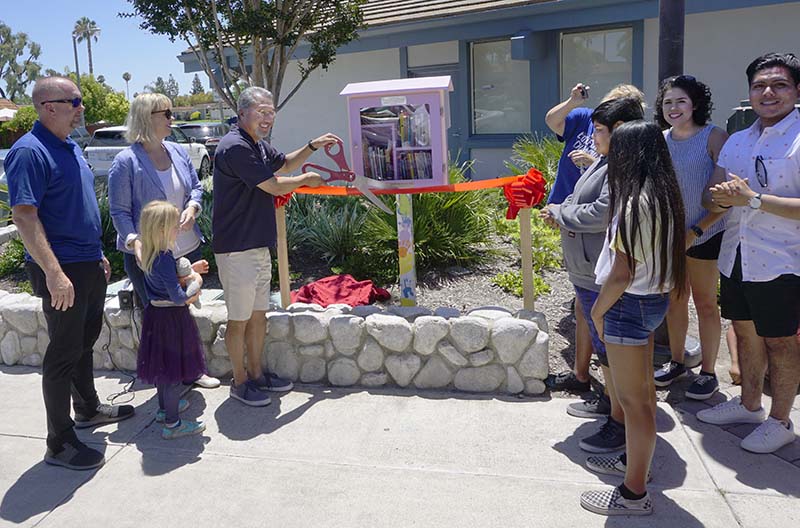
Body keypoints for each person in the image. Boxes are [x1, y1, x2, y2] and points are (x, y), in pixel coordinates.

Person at [5, 76, 134, 470]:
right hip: (60, 268)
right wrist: (55, 272)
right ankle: (58, 442)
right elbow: (24, 216)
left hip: (87, 263)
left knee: (85, 340)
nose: (81, 107)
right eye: (74, 101)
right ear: (49, 107)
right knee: (62, 353)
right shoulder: (29, 152)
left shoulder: (69, 147)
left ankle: (88, 408)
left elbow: (76, 206)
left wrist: (97, 255)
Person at [581, 121, 687, 516]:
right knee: (643, 395)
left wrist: (597, 310)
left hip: (627, 305)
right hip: (653, 302)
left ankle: (633, 493)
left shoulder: (633, 203)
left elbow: (621, 273)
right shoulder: (664, 195)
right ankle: (634, 462)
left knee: (635, 403)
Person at [698, 52, 800, 454]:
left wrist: (752, 199)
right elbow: (714, 195)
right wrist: (721, 201)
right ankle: (749, 405)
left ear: (796, 90)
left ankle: (781, 421)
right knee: (745, 334)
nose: (768, 92)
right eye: (759, 86)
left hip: (782, 261)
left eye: (779, 85)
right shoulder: (738, 139)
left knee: (781, 343)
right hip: (736, 254)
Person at [213, 86, 335, 406]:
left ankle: (256, 375)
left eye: (271, 113)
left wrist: (311, 146)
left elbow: (285, 165)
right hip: (236, 249)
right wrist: (308, 179)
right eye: (261, 112)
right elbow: (272, 185)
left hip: (256, 246)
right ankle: (240, 383)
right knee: (238, 320)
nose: (267, 118)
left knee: (258, 317)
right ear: (242, 113)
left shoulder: (257, 145)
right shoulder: (235, 147)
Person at [540, 97, 644, 441]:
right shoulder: (605, 161)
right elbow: (577, 198)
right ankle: (613, 408)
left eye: (598, 131)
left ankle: (618, 421)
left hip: (600, 272)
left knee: (610, 348)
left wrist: (560, 214)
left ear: (619, 132)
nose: (592, 137)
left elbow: (600, 212)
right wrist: (561, 207)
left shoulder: (622, 168)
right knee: (605, 346)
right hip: (588, 269)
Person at [108, 93, 220, 390]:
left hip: (182, 247)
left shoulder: (178, 151)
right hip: (148, 257)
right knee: (161, 321)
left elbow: (196, 188)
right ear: (147, 117)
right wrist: (134, 241)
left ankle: (191, 371)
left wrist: (193, 208)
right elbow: (118, 211)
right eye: (166, 113)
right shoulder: (126, 161)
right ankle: (167, 383)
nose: (172, 118)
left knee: (183, 316)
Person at [652, 75, 729, 400]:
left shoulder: (714, 137)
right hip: (670, 237)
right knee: (674, 302)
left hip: (707, 233)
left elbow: (726, 198)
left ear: (695, 103)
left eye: (680, 101)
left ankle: (708, 372)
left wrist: (696, 231)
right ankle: (678, 361)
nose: (674, 107)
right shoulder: (660, 139)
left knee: (707, 304)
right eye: (668, 102)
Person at [137, 201, 208, 439]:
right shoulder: (165, 257)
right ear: (160, 230)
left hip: (156, 316)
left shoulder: (149, 253)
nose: (178, 229)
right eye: (174, 226)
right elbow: (178, 298)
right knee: (173, 373)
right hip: (171, 319)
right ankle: (173, 424)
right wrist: (195, 283)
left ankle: (163, 409)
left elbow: (161, 285)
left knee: (161, 367)